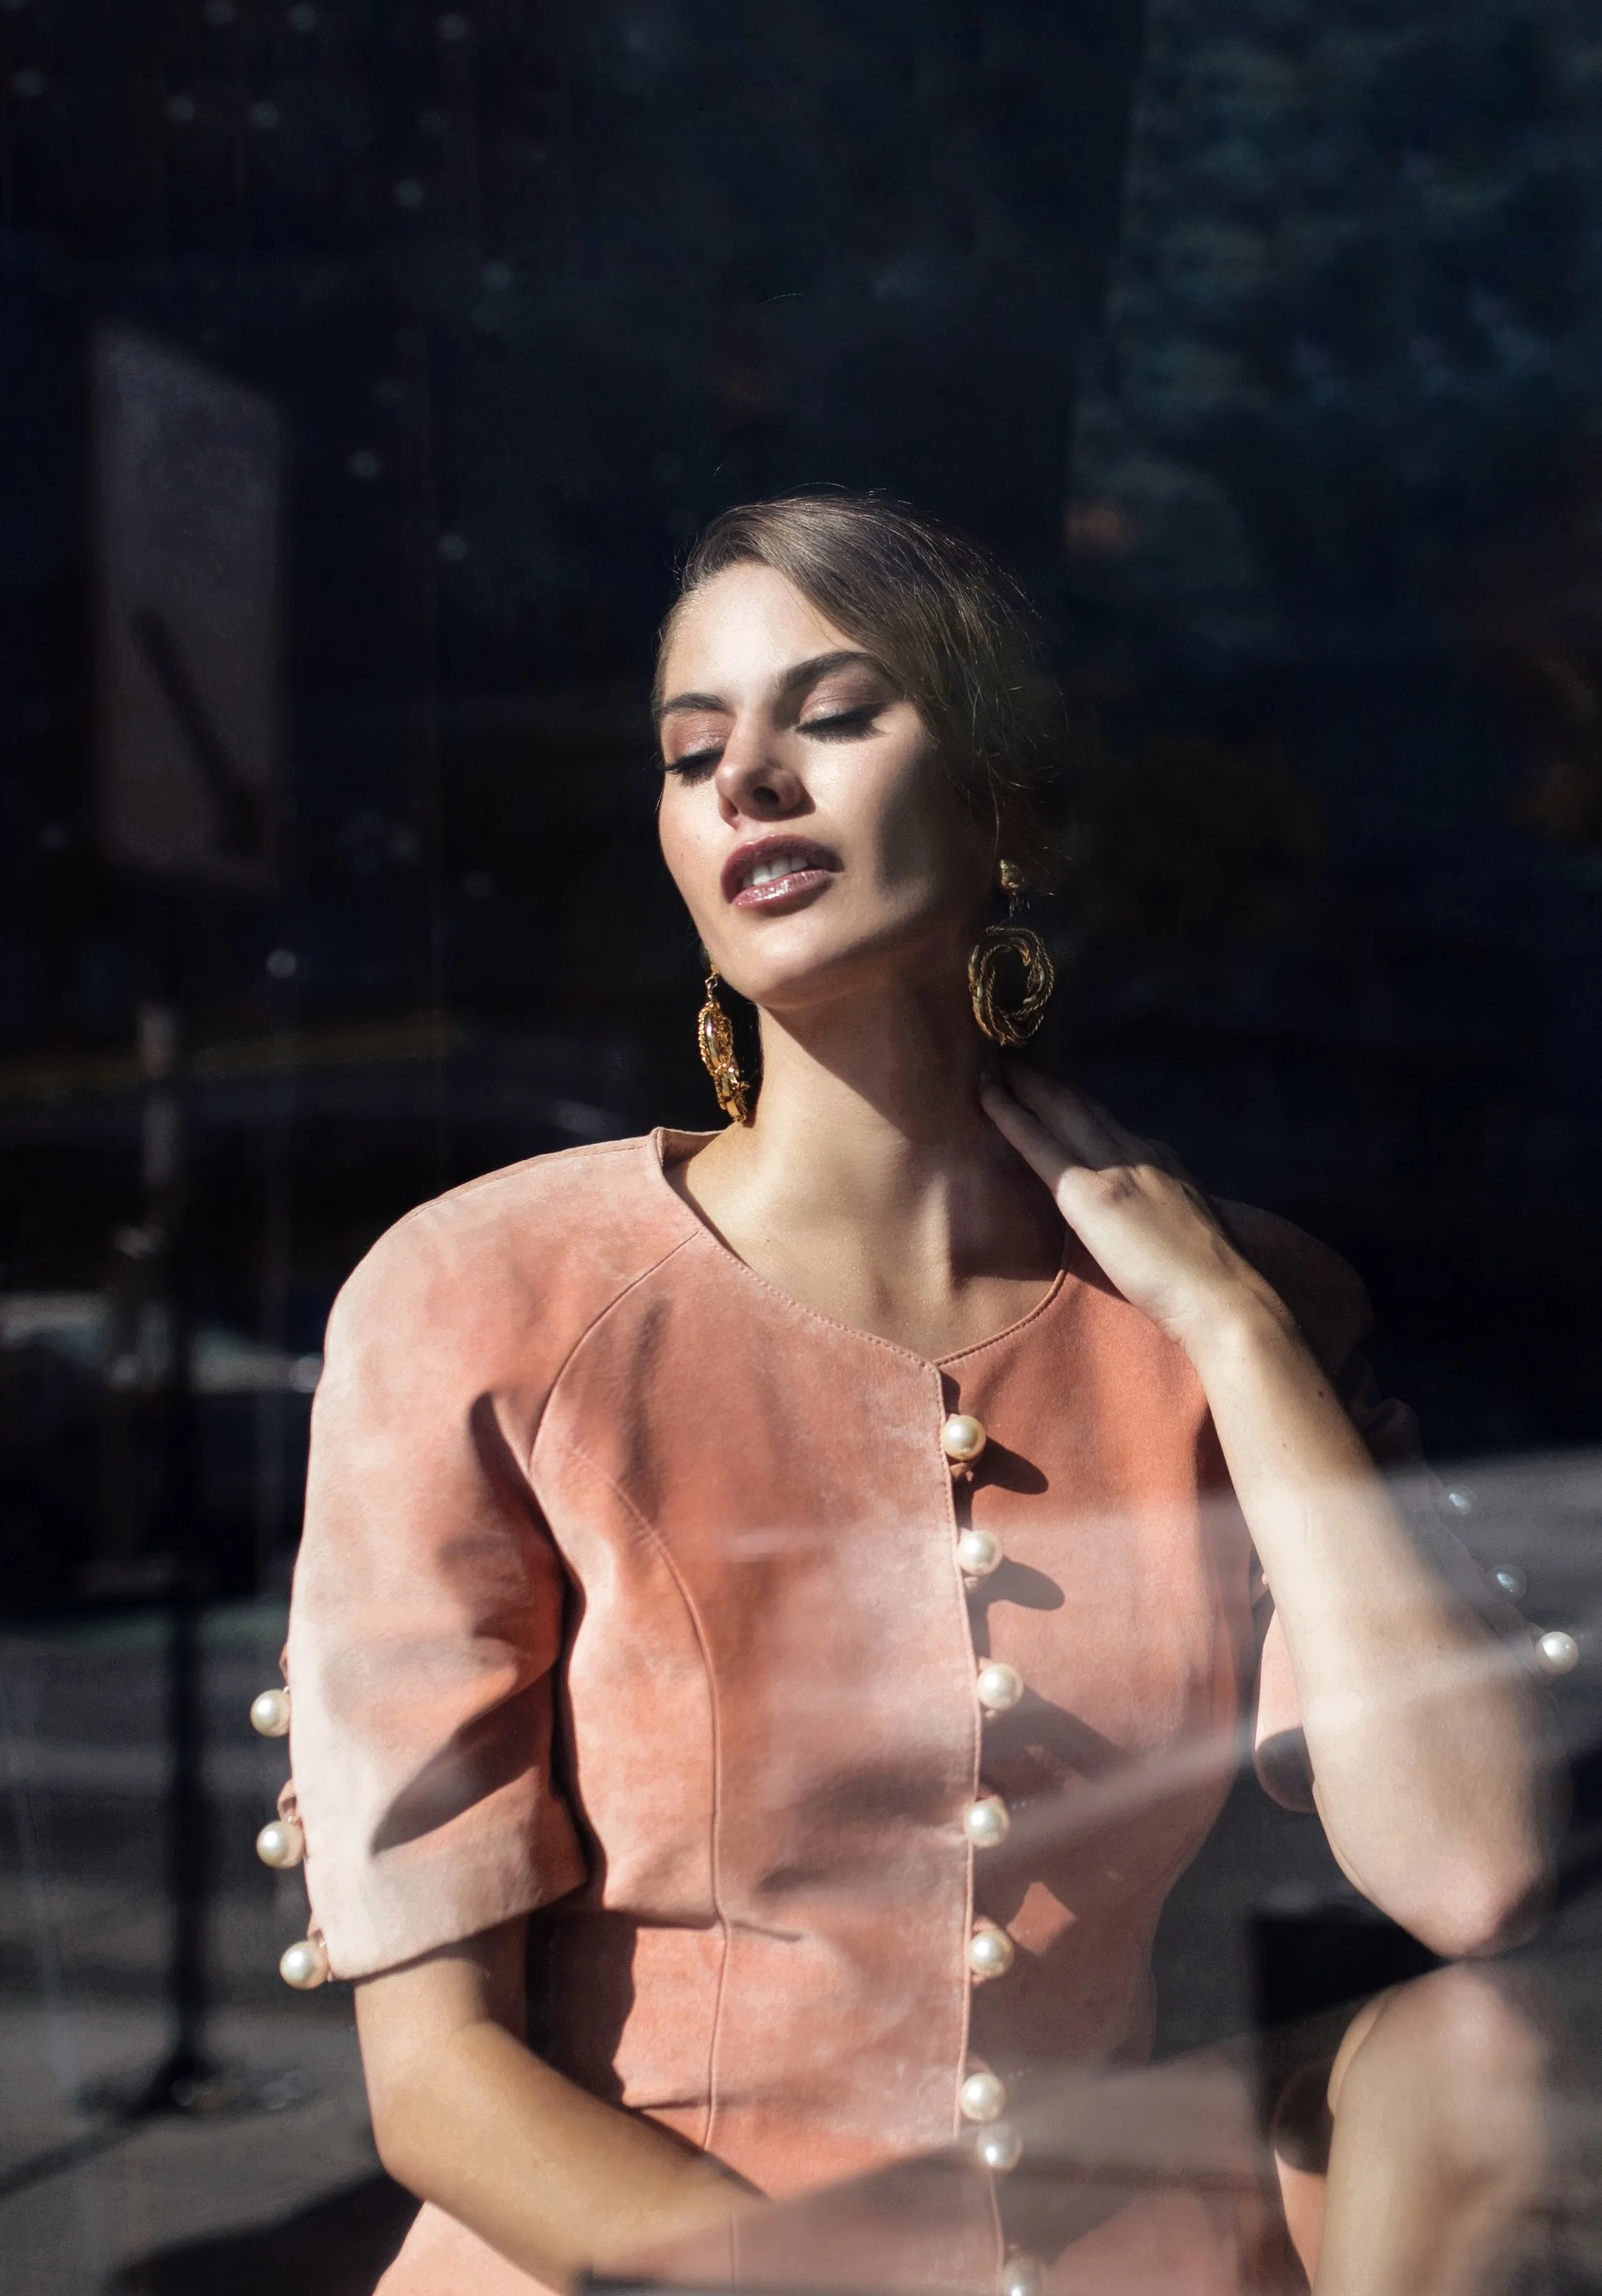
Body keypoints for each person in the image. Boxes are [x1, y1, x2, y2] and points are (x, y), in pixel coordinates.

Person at [280, 494, 1557, 2295]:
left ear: (1004, 805)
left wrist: (1234, 1330)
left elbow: (1471, 1876)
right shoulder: (482, 1293)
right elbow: (437, 2093)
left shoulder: (1229, 1303)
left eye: (835, 714)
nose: (749, 785)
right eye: (691, 750)